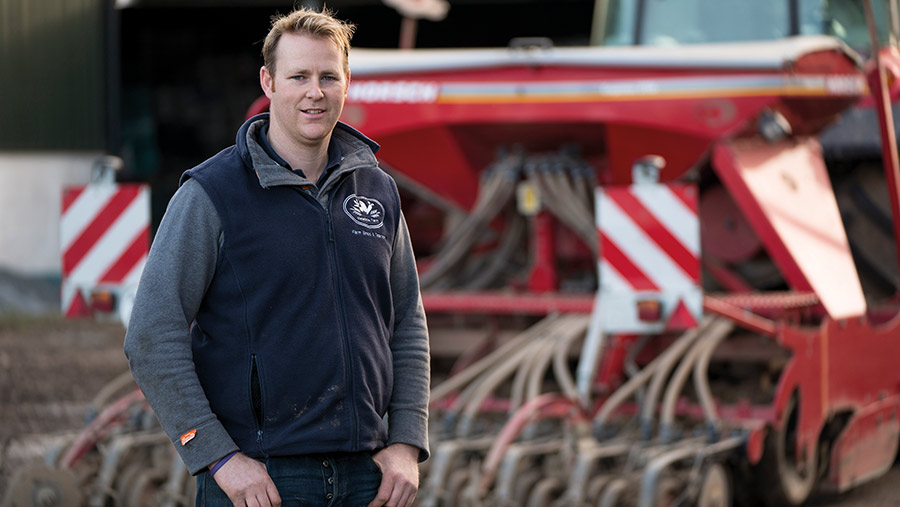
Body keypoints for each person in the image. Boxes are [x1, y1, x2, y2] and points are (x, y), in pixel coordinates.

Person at [123, 7, 430, 507]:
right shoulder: (212, 194)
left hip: (368, 478)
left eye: (328, 77)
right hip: (260, 481)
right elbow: (152, 335)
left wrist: (407, 442)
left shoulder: (377, 190)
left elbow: (407, 323)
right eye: (299, 77)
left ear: (347, 82)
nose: (315, 92)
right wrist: (216, 456)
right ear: (268, 82)